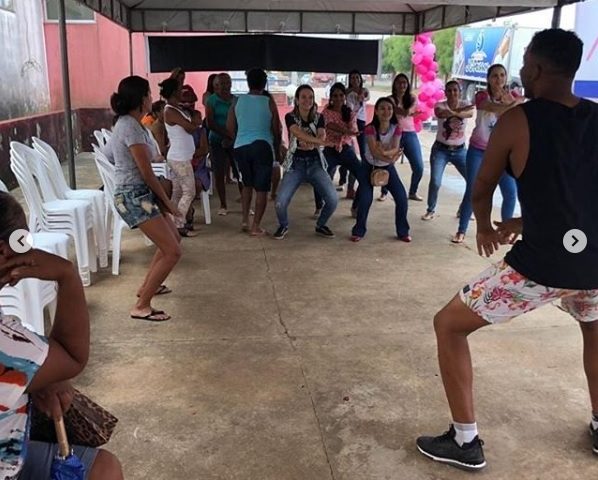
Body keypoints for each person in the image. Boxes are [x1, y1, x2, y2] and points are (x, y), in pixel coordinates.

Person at [416, 29, 598, 471]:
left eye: (526, 63)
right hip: (594, 264)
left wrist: (484, 226)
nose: (521, 70)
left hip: (541, 265)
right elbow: (577, 194)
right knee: (594, 330)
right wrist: (526, 222)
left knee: (449, 325)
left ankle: (465, 441)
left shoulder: (519, 119)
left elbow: (483, 186)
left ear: (538, 68)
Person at [0, 192, 123, 479]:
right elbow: (71, 356)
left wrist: (32, 379)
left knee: (102, 466)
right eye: (23, 244)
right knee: (104, 472)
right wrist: (67, 276)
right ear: (5, 251)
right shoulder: (9, 348)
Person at [111, 75, 182, 322]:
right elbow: (146, 173)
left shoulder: (132, 124)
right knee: (172, 251)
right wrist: (168, 203)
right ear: (141, 99)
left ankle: (147, 287)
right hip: (133, 196)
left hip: (140, 193)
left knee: (172, 241)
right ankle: (141, 306)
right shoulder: (129, 127)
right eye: (149, 94)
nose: (152, 97)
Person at [453, 64, 524, 243]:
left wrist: (513, 102)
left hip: (502, 154)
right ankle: (462, 230)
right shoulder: (481, 95)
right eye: (494, 76)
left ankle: (505, 231)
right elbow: (493, 108)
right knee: (473, 190)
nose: (499, 79)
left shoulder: (513, 96)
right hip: (478, 150)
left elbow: (522, 109)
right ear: (488, 79)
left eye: (502, 75)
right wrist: (513, 104)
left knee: (510, 192)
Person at [273, 85, 336, 240]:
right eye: (303, 97)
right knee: (280, 202)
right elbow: (297, 133)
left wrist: (314, 144)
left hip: (315, 163)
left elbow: (321, 134)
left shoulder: (319, 117)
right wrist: (319, 142)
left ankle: (321, 225)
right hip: (295, 164)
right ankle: (283, 225)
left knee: (333, 200)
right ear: (296, 100)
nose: (307, 100)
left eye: (310, 97)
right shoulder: (290, 117)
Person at [227, 69, 282, 236]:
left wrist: (239, 138)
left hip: (241, 147)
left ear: (248, 83)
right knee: (262, 189)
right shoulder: (268, 102)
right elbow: (276, 129)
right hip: (262, 146)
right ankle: (255, 226)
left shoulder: (237, 101)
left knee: (247, 185)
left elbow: (229, 127)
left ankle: (245, 220)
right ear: (264, 83)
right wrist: (277, 148)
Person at [350, 97, 411, 243]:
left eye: (389, 108)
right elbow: (374, 151)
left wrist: (384, 152)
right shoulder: (370, 129)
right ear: (376, 111)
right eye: (382, 108)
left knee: (401, 198)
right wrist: (390, 157)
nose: (386, 111)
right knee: (365, 199)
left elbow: (395, 147)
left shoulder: (396, 128)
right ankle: (358, 230)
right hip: (369, 166)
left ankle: (403, 231)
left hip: (387, 166)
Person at [421, 81, 474, 221]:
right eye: (449, 90)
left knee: (472, 181)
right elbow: (441, 113)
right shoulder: (440, 105)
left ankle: (463, 210)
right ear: (445, 93)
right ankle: (430, 210)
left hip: (460, 151)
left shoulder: (465, 103)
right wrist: (459, 112)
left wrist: (458, 112)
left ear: (460, 92)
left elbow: (470, 113)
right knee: (435, 181)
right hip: (441, 150)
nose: (452, 93)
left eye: (455, 90)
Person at [315, 82, 366, 219]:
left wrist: (351, 128)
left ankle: (355, 207)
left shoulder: (349, 111)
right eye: (335, 95)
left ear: (345, 97)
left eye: (341, 95)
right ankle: (319, 206)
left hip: (346, 149)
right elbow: (329, 125)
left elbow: (354, 130)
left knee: (364, 177)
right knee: (318, 176)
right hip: (330, 149)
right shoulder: (326, 111)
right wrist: (346, 130)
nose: (338, 98)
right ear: (331, 97)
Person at [161, 78, 202, 237]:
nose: (182, 93)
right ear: (173, 92)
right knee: (189, 192)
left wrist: (194, 121)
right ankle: (178, 225)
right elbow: (190, 128)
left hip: (180, 157)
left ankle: (172, 224)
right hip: (180, 159)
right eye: (180, 90)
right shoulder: (170, 110)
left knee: (177, 192)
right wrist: (195, 122)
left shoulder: (176, 109)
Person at [206, 73, 241, 215]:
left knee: (240, 172)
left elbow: (240, 120)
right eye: (222, 84)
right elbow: (210, 122)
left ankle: (245, 202)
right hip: (217, 140)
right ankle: (223, 205)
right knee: (219, 172)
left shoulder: (236, 100)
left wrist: (232, 136)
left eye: (228, 82)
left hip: (234, 139)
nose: (226, 86)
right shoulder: (211, 101)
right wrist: (226, 134)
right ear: (215, 86)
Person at [387, 73, 425, 202]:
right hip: (394, 134)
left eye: (404, 82)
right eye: (399, 82)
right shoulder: (390, 100)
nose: (402, 85)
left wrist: (409, 112)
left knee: (418, 166)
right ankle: (384, 191)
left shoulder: (412, 98)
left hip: (409, 133)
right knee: (388, 163)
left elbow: (408, 112)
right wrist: (407, 112)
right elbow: (404, 112)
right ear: (395, 85)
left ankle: (412, 192)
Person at [180, 84, 209, 229]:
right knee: (176, 184)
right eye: (184, 102)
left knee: (194, 184)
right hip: (181, 165)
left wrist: (187, 153)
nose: (188, 105)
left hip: (198, 169)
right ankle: (185, 213)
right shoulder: (176, 127)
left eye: (191, 102)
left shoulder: (200, 131)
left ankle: (187, 212)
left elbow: (204, 149)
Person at [344, 69, 370, 198]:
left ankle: (362, 179)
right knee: (348, 150)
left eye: (357, 78)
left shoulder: (364, 90)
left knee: (363, 152)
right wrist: (355, 97)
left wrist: (361, 95)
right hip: (350, 121)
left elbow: (366, 96)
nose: (355, 80)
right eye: (352, 78)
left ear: (360, 79)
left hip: (361, 121)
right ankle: (345, 177)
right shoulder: (347, 93)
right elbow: (349, 109)